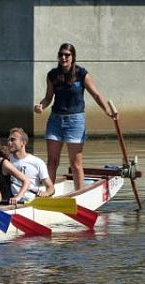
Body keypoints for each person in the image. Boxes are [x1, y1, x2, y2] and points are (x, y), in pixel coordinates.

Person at [34, 42, 115, 190]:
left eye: (67, 55)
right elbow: (48, 97)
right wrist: (41, 106)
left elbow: (96, 94)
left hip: (75, 121)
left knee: (75, 163)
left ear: (73, 57)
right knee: (52, 161)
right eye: (61, 55)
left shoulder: (82, 74)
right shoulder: (52, 75)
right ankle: (49, 192)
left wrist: (107, 111)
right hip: (55, 120)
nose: (64, 57)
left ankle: (80, 194)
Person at [7, 127, 55, 201]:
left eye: (13, 140)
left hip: (31, 199)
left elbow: (50, 188)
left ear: (23, 143)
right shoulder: (6, 160)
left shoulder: (37, 162)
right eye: (9, 140)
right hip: (11, 200)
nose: (9, 143)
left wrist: (46, 193)